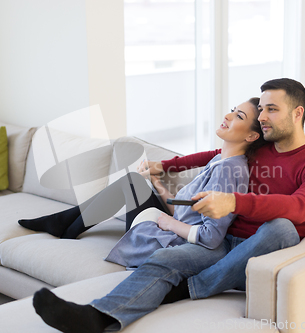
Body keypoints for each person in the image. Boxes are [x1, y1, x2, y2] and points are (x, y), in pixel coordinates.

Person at [31, 78, 305, 333]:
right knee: (165, 259)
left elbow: (301, 206)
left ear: (297, 113)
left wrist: (233, 200)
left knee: (283, 228)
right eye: (261, 110)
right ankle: (97, 317)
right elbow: (215, 155)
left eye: (272, 109)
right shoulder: (261, 147)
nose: (263, 116)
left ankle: (195, 287)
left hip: (255, 248)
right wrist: (164, 165)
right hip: (221, 241)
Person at [19, 98, 265, 268]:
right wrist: (158, 185)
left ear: (251, 135)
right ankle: (64, 225)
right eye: (233, 109)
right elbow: (184, 211)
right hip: (170, 224)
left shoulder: (229, 171)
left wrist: (168, 222)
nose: (228, 115)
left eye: (238, 116)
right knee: (135, 181)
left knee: (131, 184)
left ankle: (63, 225)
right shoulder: (219, 160)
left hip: (171, 240)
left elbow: (211, 237)